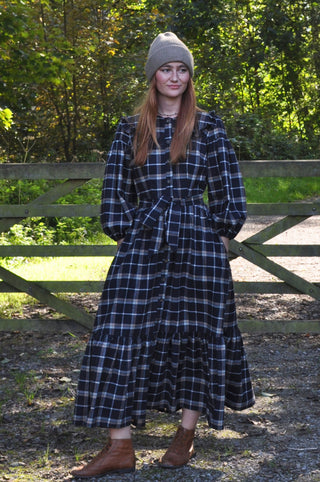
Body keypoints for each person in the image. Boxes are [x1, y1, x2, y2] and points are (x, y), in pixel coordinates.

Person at [71, 31, 255, 479]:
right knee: (117, 331)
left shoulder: (208, 127)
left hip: (199, 244)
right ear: (152, 75)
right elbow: (113, 194)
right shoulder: (129, 129)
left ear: (190, 76)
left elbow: (229, 190)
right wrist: (125, 233)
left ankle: (184, 438)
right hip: (143, 241)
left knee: (199, 334)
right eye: (166, 68)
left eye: (182, 69)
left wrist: (220, 233)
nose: (175, 76)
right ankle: (119, 446)